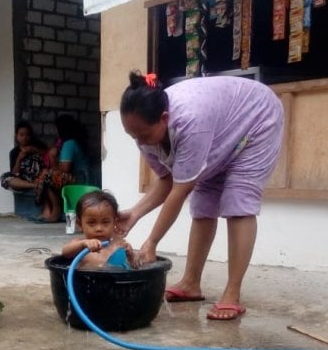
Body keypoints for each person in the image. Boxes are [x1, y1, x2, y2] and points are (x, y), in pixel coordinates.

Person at [117, 70, 284, 321]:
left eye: (143, 135)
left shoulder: (191, 122)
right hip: (220, 127)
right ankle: (190, 283)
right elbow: (167, 180)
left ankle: (232, 293)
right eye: (133, 136)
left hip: (257, 118)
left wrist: (151, 242)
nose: (141, 143)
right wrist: (135, 214)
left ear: (164, 118)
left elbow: (180, 189)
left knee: (238, 200)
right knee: (204, 200)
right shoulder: (145, 136)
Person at [32, 114, 90, 223]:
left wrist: (52, 158)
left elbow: (64, 170)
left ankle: (56, 209)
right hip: (79, 177)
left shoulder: (69, 144)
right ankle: (47, 210)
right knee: (46, 174)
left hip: (79, 179)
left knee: (47, 176)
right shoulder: (73, 142)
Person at [61, 190, 137, 269]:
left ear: (114, 222)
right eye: (91, 223)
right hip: (87, 280)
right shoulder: (80, 245)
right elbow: (65, 253)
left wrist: (131, 256)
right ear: (80, 225)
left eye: (105, 222)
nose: (99, 228)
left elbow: (135, 266)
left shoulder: (119, 244)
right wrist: (83, 243)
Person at [0, 121, 48, 193]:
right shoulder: (14, 152)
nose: (24, 138)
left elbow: (48, 153)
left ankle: (37, 184)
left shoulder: (37, 145)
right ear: (17, 136)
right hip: (23, 180)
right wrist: (19, 159)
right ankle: (34, 185)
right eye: (21, 135)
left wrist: (32, 149)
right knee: (4, 177)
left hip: (39, 177)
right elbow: (14, 173)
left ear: (31, 136)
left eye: (27, 135)